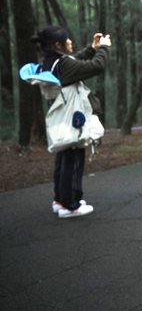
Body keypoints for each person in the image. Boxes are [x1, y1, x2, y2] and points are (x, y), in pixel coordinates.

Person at [31, 26, 111, 218]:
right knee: (74, 158)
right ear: (58, 45)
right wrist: (104, 48)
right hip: (73, 117)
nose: (70, 42)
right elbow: (95, 66)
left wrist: (92, 48)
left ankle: (60, 200)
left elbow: (74, 60)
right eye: (67, 40)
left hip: (61, 117)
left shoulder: (50, 62)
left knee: (63, 157)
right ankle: (71, 205)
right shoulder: (63, 64)